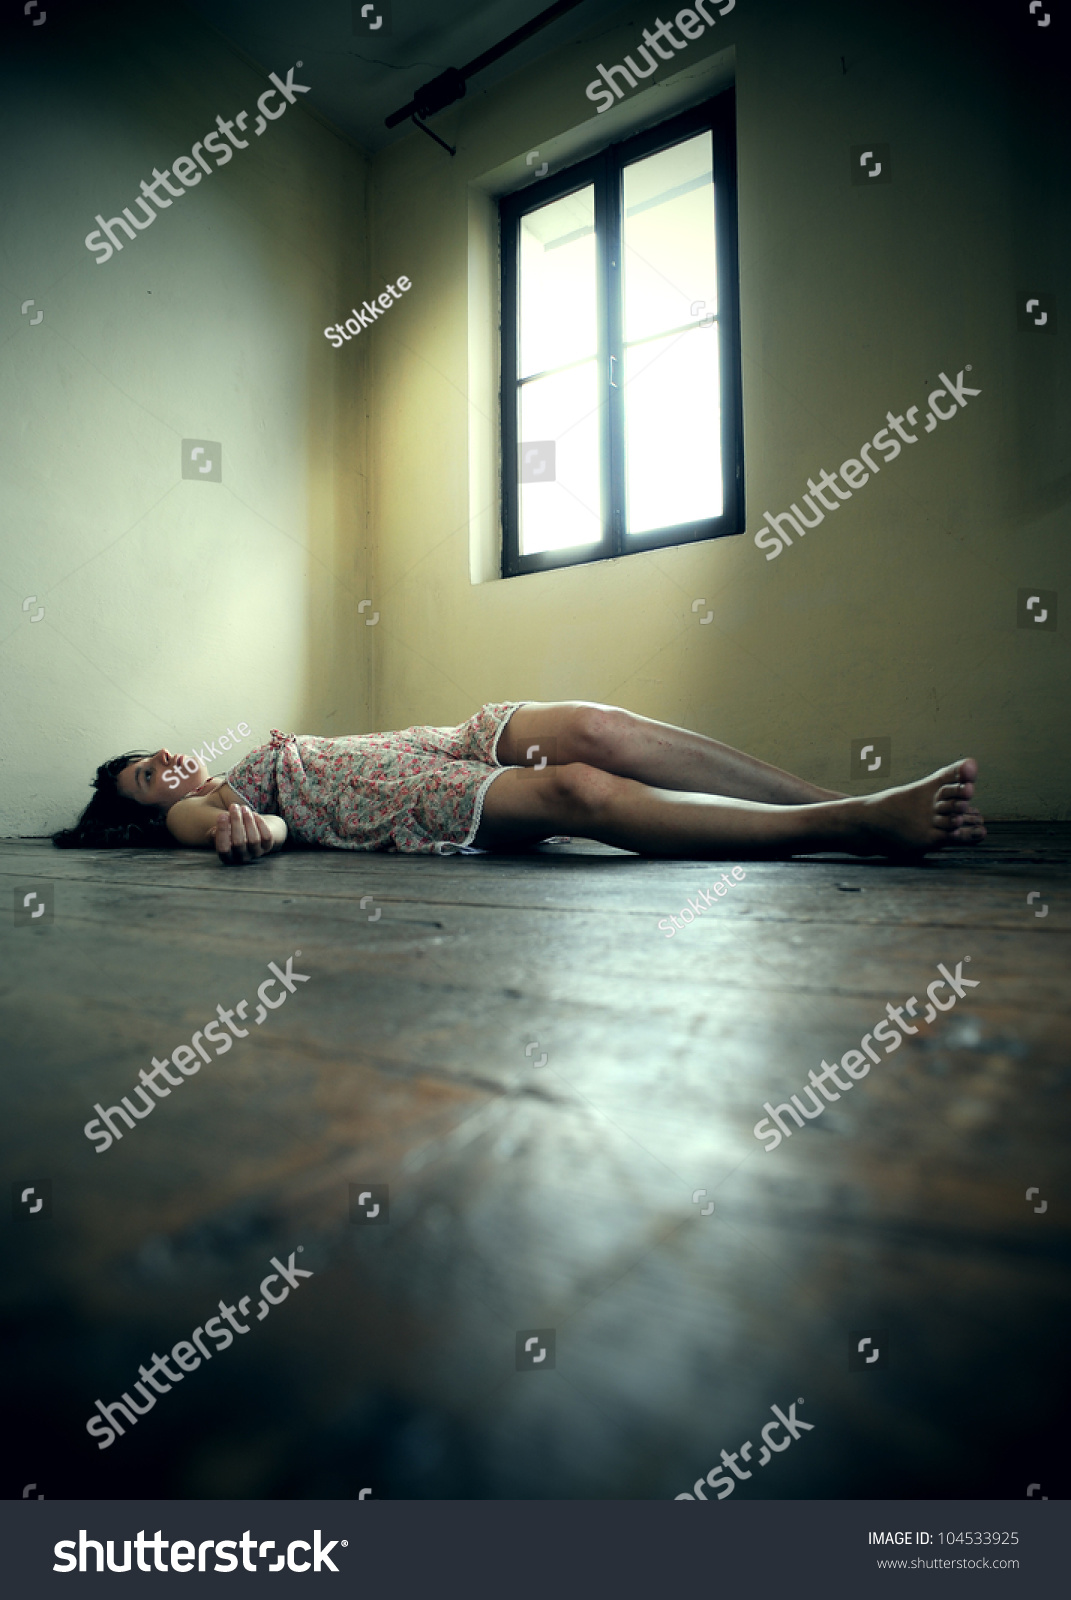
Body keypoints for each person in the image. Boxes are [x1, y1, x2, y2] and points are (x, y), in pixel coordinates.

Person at [51, 700, 985, 866]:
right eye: (145, 777)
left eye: (157, 755)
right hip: (398, 804)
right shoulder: (190, 813)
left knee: (594, 729)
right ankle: (859, 822)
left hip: (432, 741)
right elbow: (243, 829)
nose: (166, 766)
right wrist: (250, 831)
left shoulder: (222, 765)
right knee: (579, 788)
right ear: (141, 807)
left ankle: (823, 791)